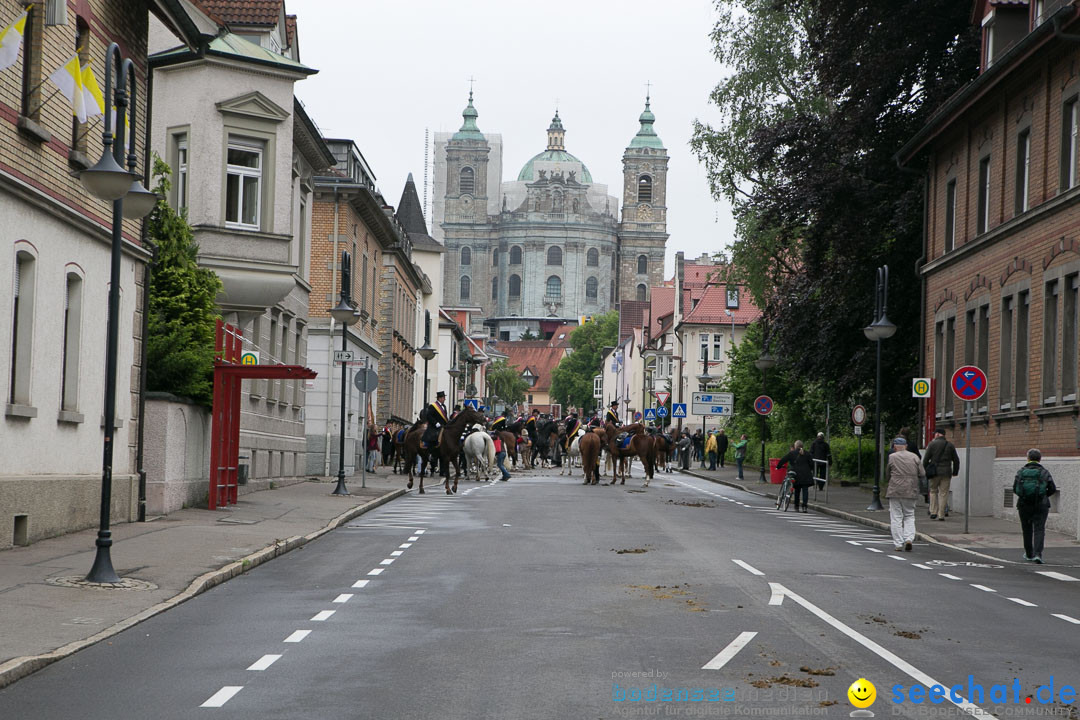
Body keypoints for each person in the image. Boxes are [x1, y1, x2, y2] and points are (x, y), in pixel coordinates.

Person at [1013, 449, 1057, 563]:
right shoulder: (1044, 472)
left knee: (1026, 529)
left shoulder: (1021, 471)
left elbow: (1015, 489)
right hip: (1041, 505)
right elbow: (1052, 488)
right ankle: (1038, 554)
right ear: (1039, 459)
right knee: (1039, 528)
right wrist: (1043, 496)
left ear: (1028, 458)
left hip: (1024, 505)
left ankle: (1029, 554)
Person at [884, 436, 924, 551]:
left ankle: (898, 543)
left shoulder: (892, 457)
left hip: (895, 490)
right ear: (906, 446)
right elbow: (922, 473)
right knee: (909, 515)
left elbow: (887, 473)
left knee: (896, 517)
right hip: (911, 489)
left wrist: (890, 480)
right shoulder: (914, 457)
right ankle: (909, 539)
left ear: (895, 447)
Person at [922, 428, 960, 520]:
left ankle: (933, 511)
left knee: (933, 491)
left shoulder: (932, 444)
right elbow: (956, 460)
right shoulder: (950, 445)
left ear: (938, 434)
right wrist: (955, 471)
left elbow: (926, 459)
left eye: (935, 434)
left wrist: (927, 469)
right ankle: (941, 514)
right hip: (946, 472)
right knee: (943, 493)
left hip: (934, 472)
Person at [776, 440, 815, 512]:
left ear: (795, 446)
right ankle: (804, 507)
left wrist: (778, 466)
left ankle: (796, 506)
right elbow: (812, 464)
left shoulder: (792, 453)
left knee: (797, 490)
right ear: (802, 446)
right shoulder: (807, 454)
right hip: (806, 475)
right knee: (805, 491)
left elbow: (783, 460)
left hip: (796, 474)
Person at [422, 391, 450, 472]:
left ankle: (443, 469)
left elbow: (445, 418)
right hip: (434, 427)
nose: (444, 399)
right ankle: (432, 454)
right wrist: (436, 423)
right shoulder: (433, 406)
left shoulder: (444, 406)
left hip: (442, 427)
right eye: (443, 398)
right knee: (433, 438)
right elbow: (429, 416)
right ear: (440, 398)